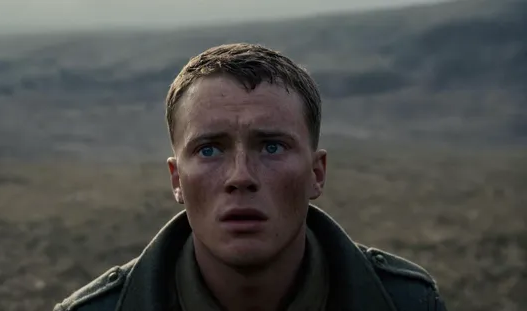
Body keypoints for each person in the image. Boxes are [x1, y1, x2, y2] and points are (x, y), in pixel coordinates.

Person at [53, 43, 447, 311]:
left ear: (316, 173)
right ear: (176, 179)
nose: (240, 177)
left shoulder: (406, 304)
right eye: (209, 150)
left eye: (272, 146)